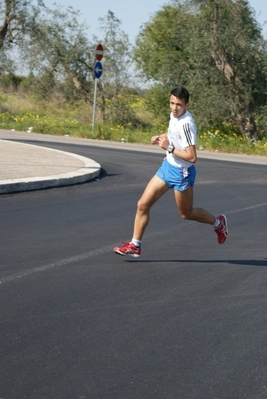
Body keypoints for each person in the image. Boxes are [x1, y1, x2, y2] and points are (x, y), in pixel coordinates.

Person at [113, 86, 228, 257]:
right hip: (168, 166)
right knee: (142, 204)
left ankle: (218, 223)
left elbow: (192, 157)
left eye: (179, 105)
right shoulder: (174, 116)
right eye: (172, 103)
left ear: (187, 105)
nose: (174, 108)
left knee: (186, 214)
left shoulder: (187, 125)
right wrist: (161, 137)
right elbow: (172, 133)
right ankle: (135, 245)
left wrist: (169, 147)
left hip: (182, 173)